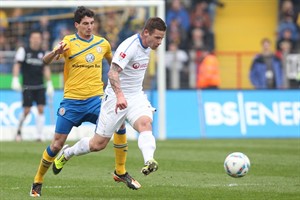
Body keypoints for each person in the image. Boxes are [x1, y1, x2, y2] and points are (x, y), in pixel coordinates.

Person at [30, 6, 140, 197]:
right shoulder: (68, 42)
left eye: (92, 23)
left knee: (119, 123)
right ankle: (37, 181)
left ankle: (120, 171)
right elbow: (45, 61)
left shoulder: (102, 44)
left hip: (96, 100)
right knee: (56, 144)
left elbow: (115, 66)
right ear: (77, 25)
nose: (90, 27)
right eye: (85, 24)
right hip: (72, 101)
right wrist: (55, 52)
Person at [51, 17, 167, 190]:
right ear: (146, 33)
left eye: (162, 38)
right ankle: (68, 153)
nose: (159, 42)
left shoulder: (147, 46)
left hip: (135, 96)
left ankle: (148, 160)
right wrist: (120, 95)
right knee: (97, 144)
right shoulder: (129, 47)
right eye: (157, 38)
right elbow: (112, 73)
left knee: (145, 123)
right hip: (115, 98)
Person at [11, 30, 54, 142]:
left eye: (38, 38)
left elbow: (46, 68)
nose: (36, 40)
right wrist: (15, 79)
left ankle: (39, 135)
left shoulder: (43, 52)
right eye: (34, 37)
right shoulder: (23, 51)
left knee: (41, 109)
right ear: (30, 38)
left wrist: (49, 83)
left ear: (40, 39)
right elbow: (17, 65)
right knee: (26, 111)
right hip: (27, 86)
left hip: (40, 86)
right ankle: (19, 131)